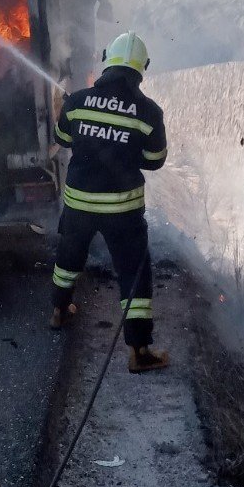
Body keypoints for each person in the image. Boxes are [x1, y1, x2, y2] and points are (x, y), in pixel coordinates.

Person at [49, 31, 169, 373]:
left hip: (79, 204)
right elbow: (154, 159)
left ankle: (59, 311)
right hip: (123, 210)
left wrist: (64, 108)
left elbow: (62, 139)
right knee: (133, 272)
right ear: (141, 68)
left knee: (69, 258)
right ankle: (139, 351)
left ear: (107, 60)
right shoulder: (148, 112)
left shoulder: (79, 101)